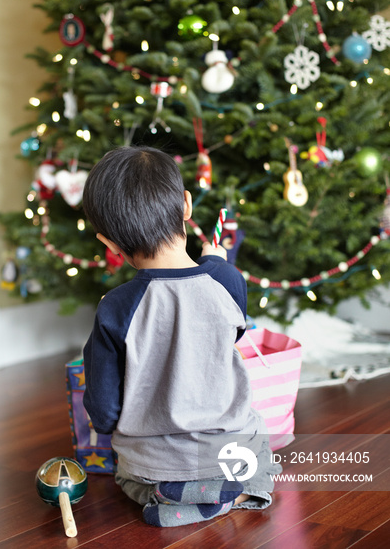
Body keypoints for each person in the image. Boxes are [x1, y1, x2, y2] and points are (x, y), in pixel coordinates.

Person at [82, 145, 280, 527]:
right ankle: (233, 493)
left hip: (156, 463)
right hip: (230, 450)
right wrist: (216, 262)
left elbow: (104, 410)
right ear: (186, 206)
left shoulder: (116, 307)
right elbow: (233, 330)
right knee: (263, 456)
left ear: (107, 242)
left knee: (125, 474)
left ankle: (168, 496)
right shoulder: (225, 280)